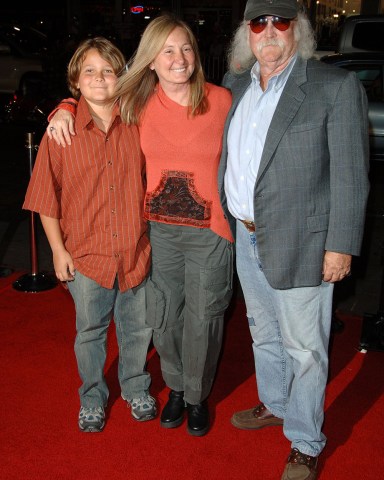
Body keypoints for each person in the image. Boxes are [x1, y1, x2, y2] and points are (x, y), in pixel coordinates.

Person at [46, 14, 234, 437]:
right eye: (166, 50)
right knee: (162, 320)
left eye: (185, 48)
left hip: (208, 234)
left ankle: (197, 395)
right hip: (158, 235)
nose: (178, 58)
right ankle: (176, 390)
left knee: (204, 319)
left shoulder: (223, 100)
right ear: (150, 60)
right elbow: (95, 93)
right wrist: (65, 105)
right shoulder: (140, 105)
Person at [218, 1, 370, 479]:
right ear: (246, 32)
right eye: (258, 23)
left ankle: (305, 439)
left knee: (305, 348)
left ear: (298, 30)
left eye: (279, 22)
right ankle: (276, 403)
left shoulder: (333, 86)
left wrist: (340, 244)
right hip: (246, 236)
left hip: (304, 240)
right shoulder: (235, 84)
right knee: (263, 331)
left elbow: (351, 174)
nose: (268, 32)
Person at [23, 37, 157, 433]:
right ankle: (92, 397)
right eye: (90, 71)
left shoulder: (139, 122)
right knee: (90, 332)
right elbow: (47, 198)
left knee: (138, 329)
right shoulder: (60, 133)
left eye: (108, 71)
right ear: (76, 82)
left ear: (121, 76)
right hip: (86, 256)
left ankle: (135, 386)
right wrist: (58, 251)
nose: (100, 79)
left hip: (136, 250)